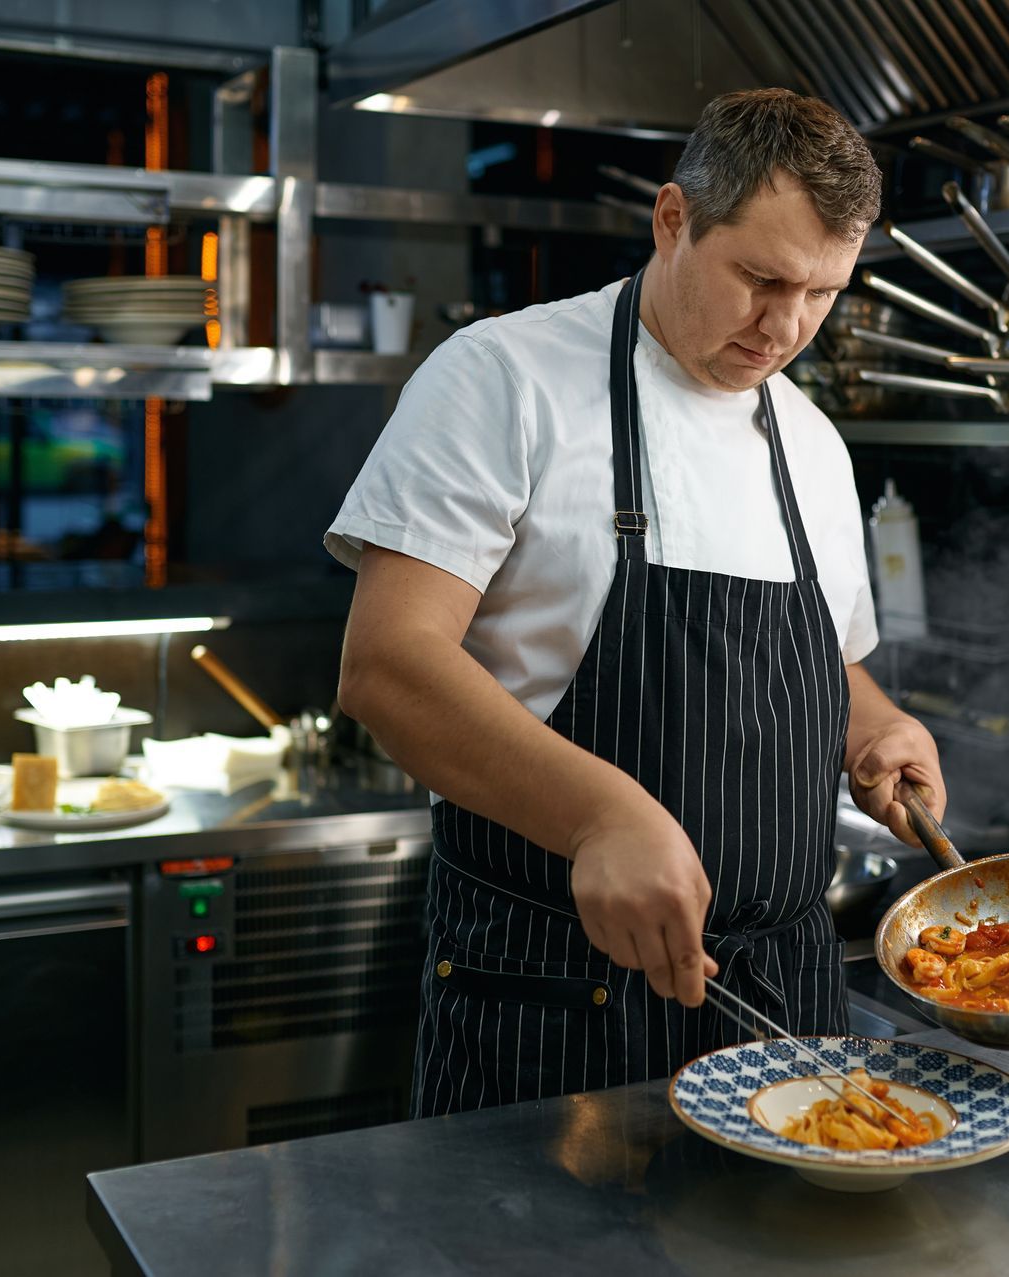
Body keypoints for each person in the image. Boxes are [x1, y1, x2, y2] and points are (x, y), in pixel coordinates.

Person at [328, 89, 946, 1117]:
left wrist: (873, 722)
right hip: (555, 998)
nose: (786, 326)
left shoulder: (812, 443)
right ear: (672, 220)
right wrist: (599, 815)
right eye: (761, 278)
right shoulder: (501, 378)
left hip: (784, 1006)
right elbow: (387, 665)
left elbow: (824, 660)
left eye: (823, 293)